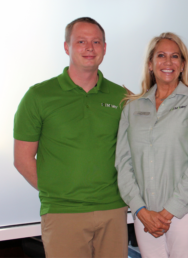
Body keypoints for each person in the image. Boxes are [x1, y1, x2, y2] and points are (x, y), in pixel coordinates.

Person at [13, 17, 128, 257]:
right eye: (81, 41)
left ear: (104, 48)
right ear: (67, 47)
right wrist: (57, 195)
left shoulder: (122, 96)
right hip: (63, 213)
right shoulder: (39, 96)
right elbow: (22, 159)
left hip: (113, 210)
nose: (89, 48)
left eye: (96, 42)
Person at [115, 32, 188, 258]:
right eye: (161, 56)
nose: (168, 62)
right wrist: (140, 210)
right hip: (144, 213)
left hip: (182, 211)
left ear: (182, 65)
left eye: (175, 56)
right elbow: (123, 163)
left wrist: (167, 212)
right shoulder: (132, 108)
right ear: (150, 64)